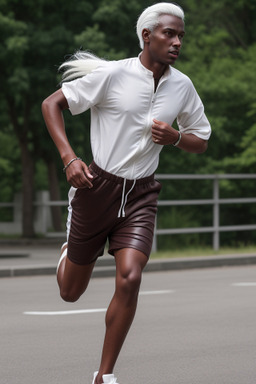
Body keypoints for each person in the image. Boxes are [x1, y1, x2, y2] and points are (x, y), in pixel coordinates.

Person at [42, 3, 211, 383]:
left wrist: (177, 138)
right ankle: (70, 250)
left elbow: (201, 140)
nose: (177, 41)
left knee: (131, 277)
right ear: (147, 35)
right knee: (70, 293)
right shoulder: (113, 74)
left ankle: (105, 375)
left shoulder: (182, 86)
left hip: (140, 194)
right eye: (169, 33)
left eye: (181, 35)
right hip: (95, 188)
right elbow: (51, 104)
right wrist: (70, 159)